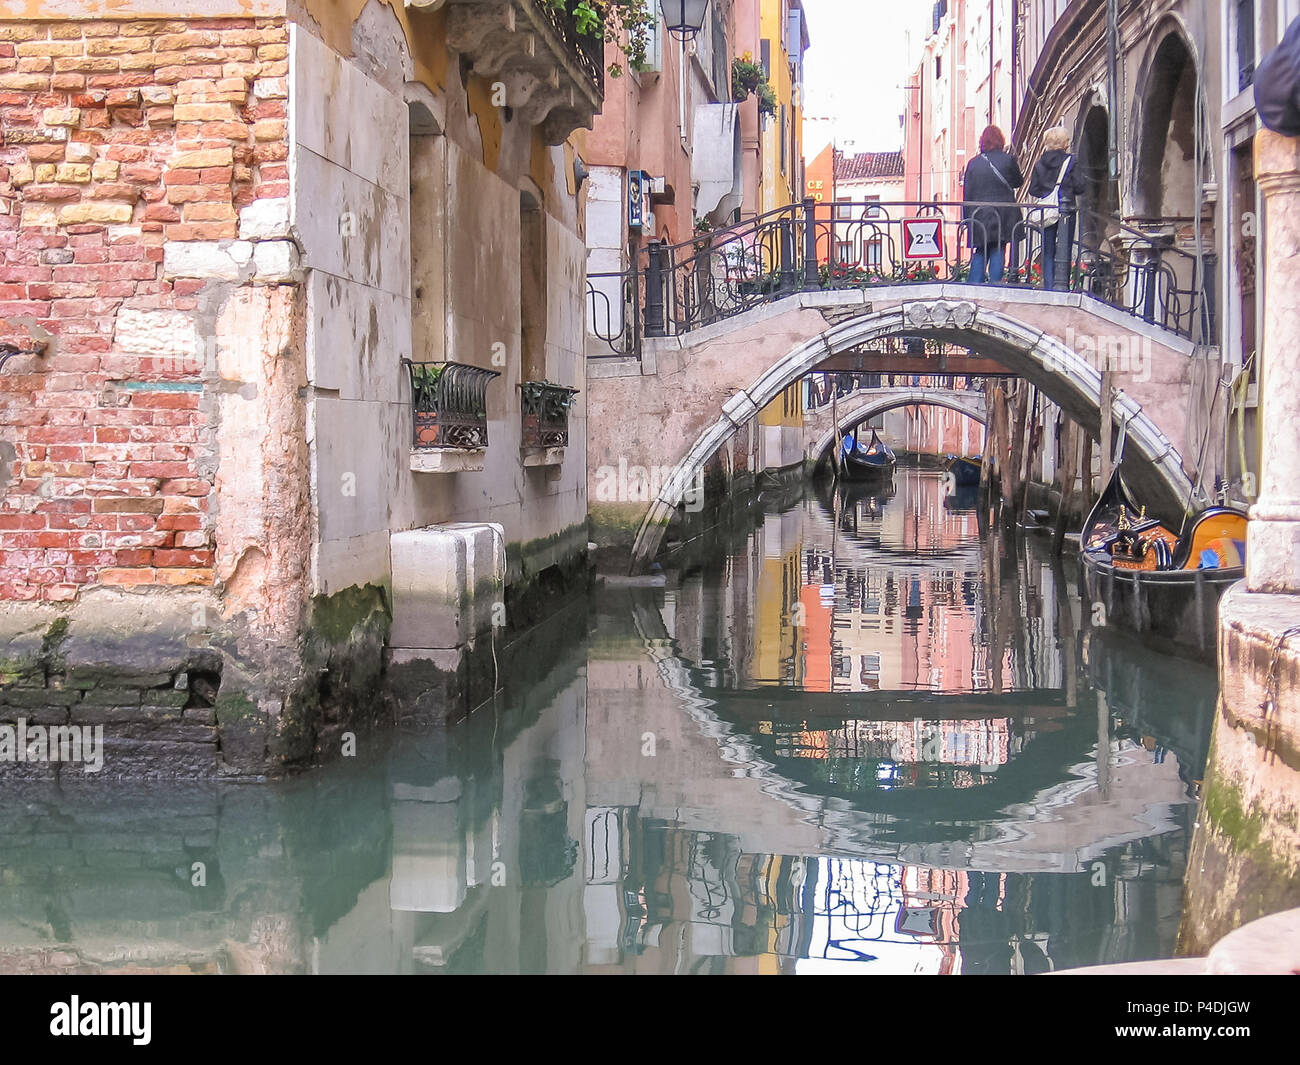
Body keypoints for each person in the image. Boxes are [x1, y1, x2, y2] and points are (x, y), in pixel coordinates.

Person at [1028, 126, 1087, 291]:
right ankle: (1062, 286)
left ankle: (1049, 286)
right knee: (1065, 247)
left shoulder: (1040, 164)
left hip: (1047, 210)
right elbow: (1080, 186)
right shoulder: (1071, 161)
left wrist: (1047, 193)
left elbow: (1033, 189)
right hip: (1066, 210)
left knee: (1048, 249)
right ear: (1063, 143)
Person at [962, 125, 1023, 283]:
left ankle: (974, 285)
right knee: (999, 247)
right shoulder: (1008, 160)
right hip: (1004, 213)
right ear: (1000, 141)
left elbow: (967, 193)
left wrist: (966, 219)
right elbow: (1018, 182)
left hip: (979, 214)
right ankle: (995, 285)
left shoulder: (973, 164)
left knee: (981, 249)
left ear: (982, 141)